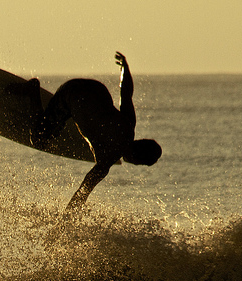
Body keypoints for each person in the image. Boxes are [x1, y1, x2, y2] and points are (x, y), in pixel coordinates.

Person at [23, 52, 162, 212]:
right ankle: (32, 90)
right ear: (137, 161)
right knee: (39, 139)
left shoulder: (128, 124)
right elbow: (81, 194)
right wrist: (61, 226)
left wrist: (125, 68)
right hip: (71, 97)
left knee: (78, 116)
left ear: (140, 141)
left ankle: (63, 118)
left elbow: (126, 92)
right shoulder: (105, 161)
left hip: (92, 87)